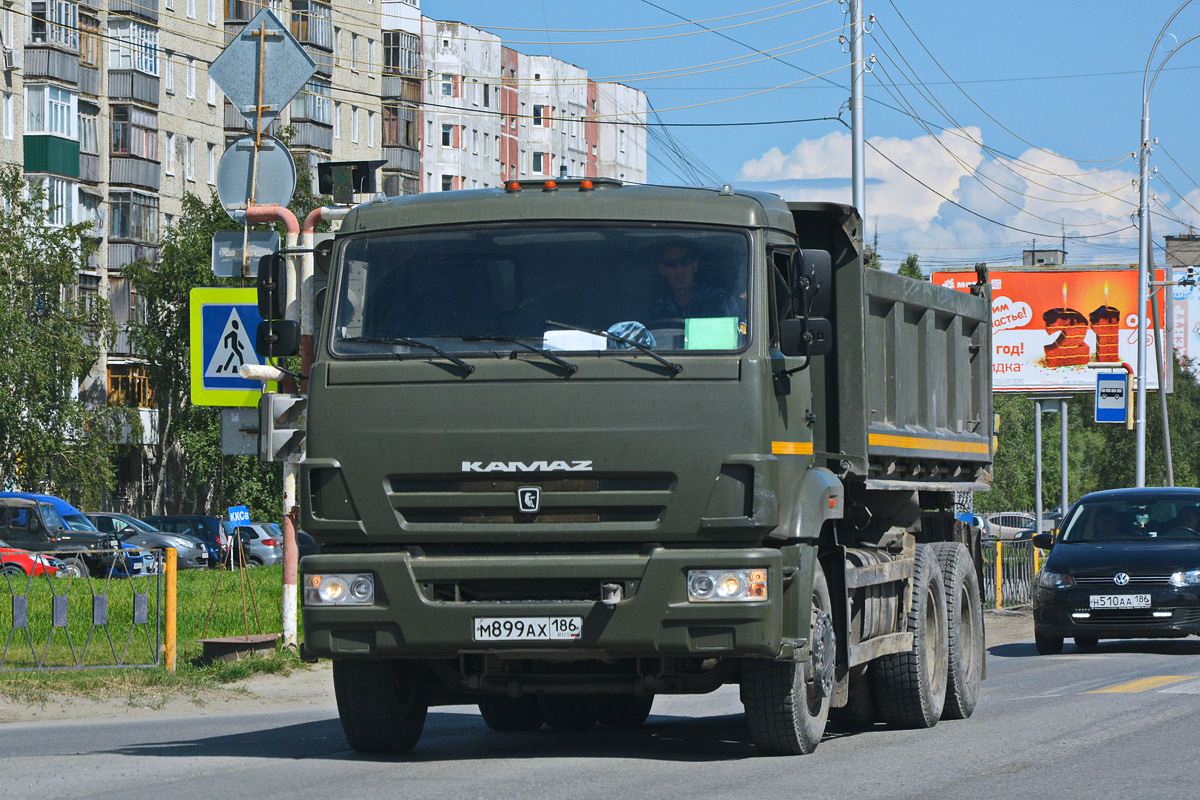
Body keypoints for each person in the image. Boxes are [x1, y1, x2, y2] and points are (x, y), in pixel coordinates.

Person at [649, 242, 740, 320]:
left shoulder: (721, 301)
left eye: (686, 261)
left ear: (695, 265)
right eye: (671, 263)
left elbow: (740, 334)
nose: (679, 270)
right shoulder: (657, 309)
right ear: (662, 269)